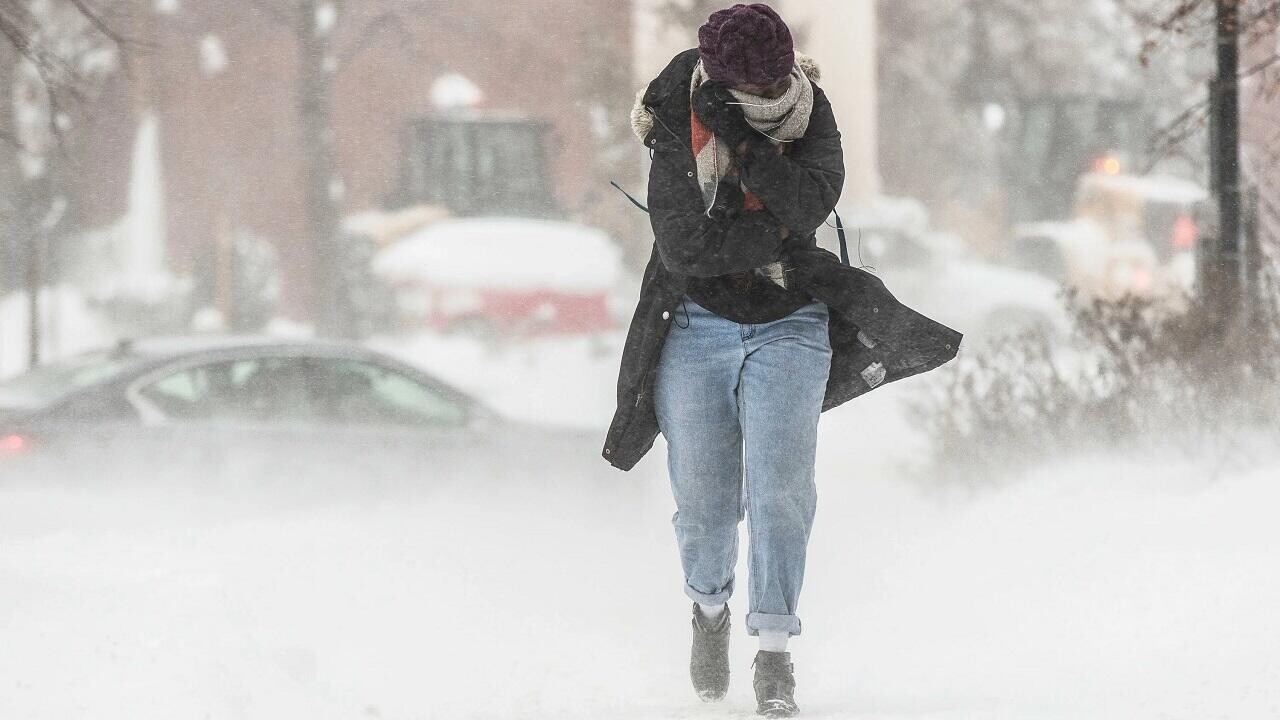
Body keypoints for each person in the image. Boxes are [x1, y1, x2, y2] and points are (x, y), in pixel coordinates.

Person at [602, 4, 963, 717]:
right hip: (694, 323)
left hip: (792, 323)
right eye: (756, 90)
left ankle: (774, 652)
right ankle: (709, 608)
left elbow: (807, 204)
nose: (772, 96)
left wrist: (743, 142)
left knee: (780, 492)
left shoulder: (810, 109)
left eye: (778, 82)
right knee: (705, 504)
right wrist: (779, 235)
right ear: (721, 79)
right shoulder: (675, 112)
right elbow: (686, 249)